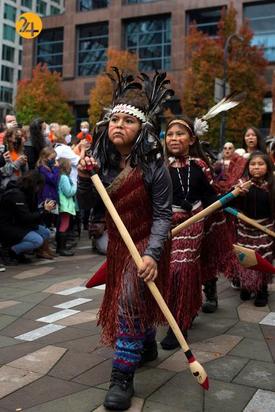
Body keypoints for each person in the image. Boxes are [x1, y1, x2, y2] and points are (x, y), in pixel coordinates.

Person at [78, 68, 173, 411]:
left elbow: (164, 215)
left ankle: (122, 378)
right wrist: (83, 179)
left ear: (142, 130)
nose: (118, 125)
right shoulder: (99, 165)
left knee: (128, 304)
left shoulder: (155, 168)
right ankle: (146, 344)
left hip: (149, 244)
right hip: (119, 248)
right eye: (113, 119)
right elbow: (85, 206)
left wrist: (153, 253)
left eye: (127, 121)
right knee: (134, 301)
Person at [161, 117, 240, 350]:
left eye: (180, 134)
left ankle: (179, 325)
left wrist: (232, 197)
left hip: (194, 223)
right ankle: (187, 307)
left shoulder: (199, 166)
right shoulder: (160, 167)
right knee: (170, 273)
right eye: (170, 135)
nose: (174, 138)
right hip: (167, 226)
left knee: (181, 269)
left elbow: (210, 199)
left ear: (192, 139)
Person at [229, 152, 275, 306]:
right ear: (248, 167)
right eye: (253, 164)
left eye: (260, 164)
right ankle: (247, 286)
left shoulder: (271, 186)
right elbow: (230, 203)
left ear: (268, 167)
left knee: (262, 260)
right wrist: (236, 193)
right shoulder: (242, 184)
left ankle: (262, 290)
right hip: (245, 228)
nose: (256, 167)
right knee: (246, 259)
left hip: (264, 229)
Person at [0, 170, 55, 264]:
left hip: (19, 224)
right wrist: (44, 211)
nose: (39, 189)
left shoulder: (29, 193)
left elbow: (31, 213)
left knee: (45, 232)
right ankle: (8, 252)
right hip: (8, 227)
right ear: (33, 184)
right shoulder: (16, 195)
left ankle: (19, 252)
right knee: (37, 240)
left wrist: (43, 210)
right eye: (38, 186)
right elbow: (26, 217)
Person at [56, 158, 76, 256]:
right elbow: (68, 192)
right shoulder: (64, 177)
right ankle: (61, 248)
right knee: (64, 225)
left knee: (64, 225)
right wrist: (75, 185)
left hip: (64, 204)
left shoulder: (61, 176)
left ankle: (62, 246)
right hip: (65, 205)